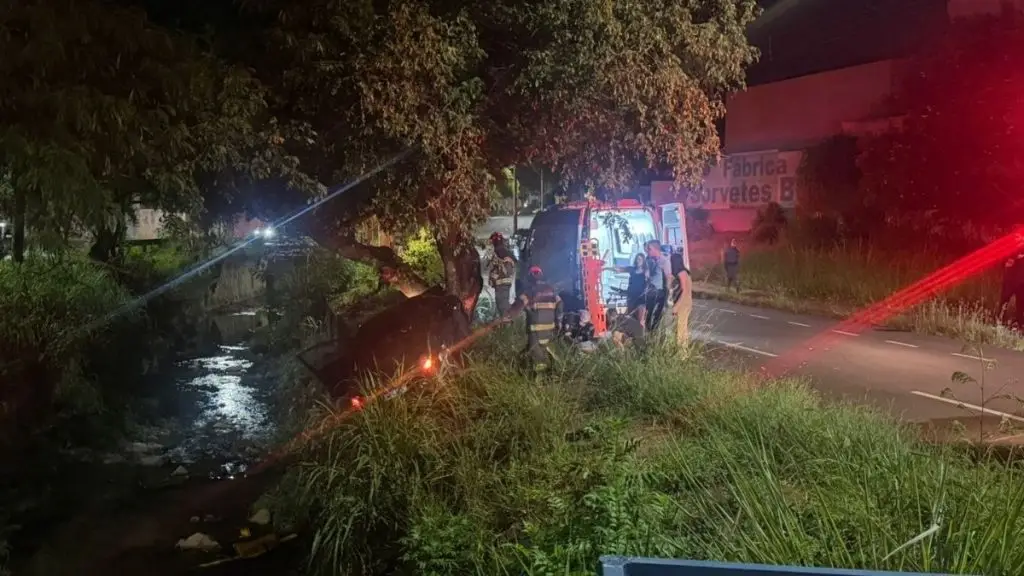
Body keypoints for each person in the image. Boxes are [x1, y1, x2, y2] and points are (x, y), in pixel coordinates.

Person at [506, 265, 562, 376]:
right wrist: (558, 321)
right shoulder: (551, 290)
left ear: (530, 277)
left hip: (535, 330)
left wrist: (507, 316)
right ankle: (552, 370)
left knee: (536, 354)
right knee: (542, 349)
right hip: (549, 329)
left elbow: (518, 306)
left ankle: (540, 379)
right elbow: (560, 305)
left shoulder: (530, 291)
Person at [607, 253, 648, 325]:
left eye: (640, 259)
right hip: (631, 296)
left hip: (641, 298)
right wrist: (609, 268)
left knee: (640, 319)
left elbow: (650, 281)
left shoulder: (646, 272)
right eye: (637, 259)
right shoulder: (632, 269)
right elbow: (620, 269)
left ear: (643, 261)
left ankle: (641, 334)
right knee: (630, 317)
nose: (638, 261)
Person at [487, 232, 517, 317]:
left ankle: (506, 319)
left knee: (502, 305)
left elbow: (498, 270)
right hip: (504, 284)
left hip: (501, 284)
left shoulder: (499, 251)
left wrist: (492, 279)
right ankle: (506, 318)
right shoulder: (504, 251)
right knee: (502, 305)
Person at [644, 240, 671, 332]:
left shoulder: (664, 261)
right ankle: (648, 333)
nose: (647, 250)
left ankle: (654, 335)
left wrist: (667, 296)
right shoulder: (649, 260)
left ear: (655, 249)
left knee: (657, 316)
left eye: (649, 248)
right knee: (648, 314)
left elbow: (668, 279)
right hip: (649, 291)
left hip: (659, 292)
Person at [670, 251, 693, 349]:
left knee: (680, 330)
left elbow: (683, 291)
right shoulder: (685, 273)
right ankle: (683, 352)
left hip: (683, 304)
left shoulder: (681, 273)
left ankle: (681, 353)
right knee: (683, 328)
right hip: (686, 303)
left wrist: (676, 306)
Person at [1001, 252, 1024, 328]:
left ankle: (1020, 325)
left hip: (1021, 279)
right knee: (1004, 300)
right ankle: (999, 322)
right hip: (1011, 278)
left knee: (1021, 304)